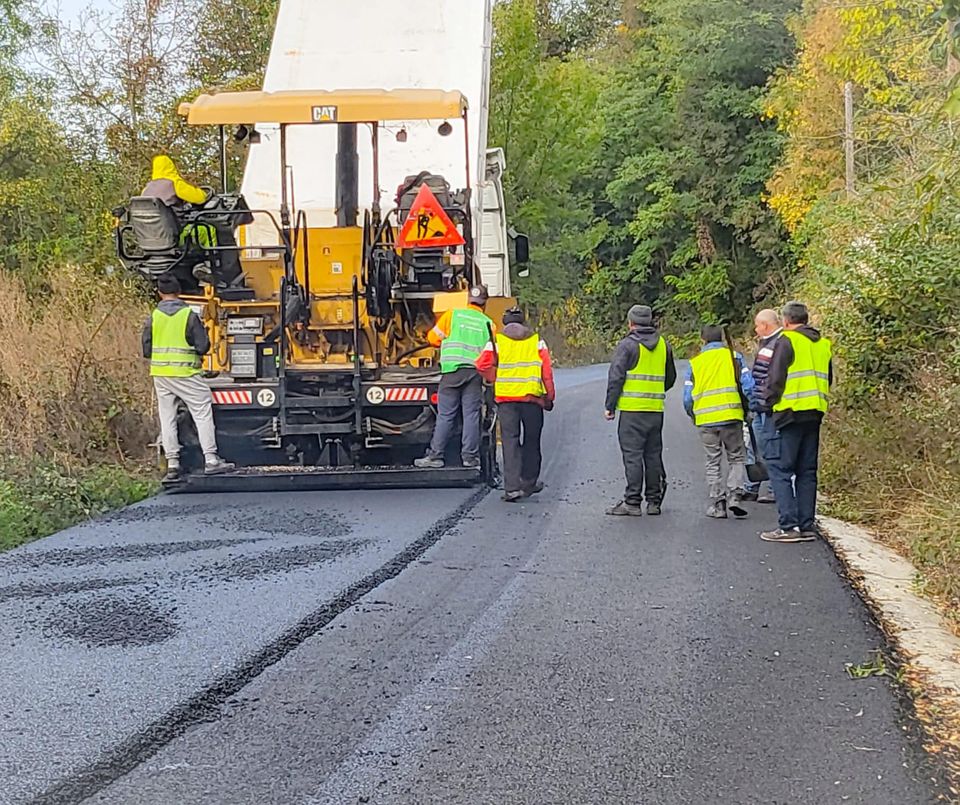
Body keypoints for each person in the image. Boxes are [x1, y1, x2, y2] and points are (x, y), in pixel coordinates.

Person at [142, 274, 234, 481]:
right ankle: (211, 460)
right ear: (179, 292)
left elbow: (146, 349)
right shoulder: (188, 316)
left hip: (161, 375)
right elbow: (203, 346)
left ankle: (173, 464)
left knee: (167, 417)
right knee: (202, 411)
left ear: (159, 293)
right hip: (186, 373)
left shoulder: (153, 316)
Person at [758, 301, 832, 543]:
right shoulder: (822, 344)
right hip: (815, 412)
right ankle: (806, 525)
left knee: (779, 468)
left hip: (788, 413)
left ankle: (788, 526)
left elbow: (775, 378)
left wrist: (767, 404)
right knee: (807, 471)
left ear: (786, 321)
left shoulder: (786, 341)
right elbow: (827, 378)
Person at [476, 307, 556, 502]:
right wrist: (549, 397)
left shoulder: (496, 341)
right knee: (532, 441)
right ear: (523, 322)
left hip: (506, 400)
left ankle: (511, 488)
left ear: (504, 322)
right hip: (532, 400)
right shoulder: (537, 341)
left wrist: (495, 378)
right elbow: (546, 371)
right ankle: (529, 482)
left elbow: (481, 365)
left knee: (510, 442)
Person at [604, 305, 676, 516]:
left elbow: (616, 377)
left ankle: (632, 502)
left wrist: (610, 406)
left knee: (633, 456)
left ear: (631, 323)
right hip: (655, 410)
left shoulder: (627, 346)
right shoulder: (664, 345)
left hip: (631, 411)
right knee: (653, 456)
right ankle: (654, 502)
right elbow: (670, 378)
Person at [415, 286, 495, 469]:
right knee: (471, 415)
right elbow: (491, 353)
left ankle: (435, 456)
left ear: (468, 300)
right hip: (474, 373)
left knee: (446, 415)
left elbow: (433, 339)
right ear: (485, 303)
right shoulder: (488, 323)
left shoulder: (453, 315)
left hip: (451, 373)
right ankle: (469, 458)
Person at [683, 325, 755, 519]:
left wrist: (693, 415)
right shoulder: (735, 358)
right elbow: (748, 386)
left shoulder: (695, 363)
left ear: (702, 340)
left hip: (706, 420)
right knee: (736, 457)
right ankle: (735, 496)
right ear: (722, 339)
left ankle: (718, 504)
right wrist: (751, 409)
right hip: (732, 417)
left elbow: (688, 397)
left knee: (712, 461)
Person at [743, 308, 783, 504]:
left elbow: (770, 378)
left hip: (767, 408)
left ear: (765, 325)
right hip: (760, 406)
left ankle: (776, 490)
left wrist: (763, 401)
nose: (755, 329)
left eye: (757, 325)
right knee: (756, 447)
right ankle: (753, 487)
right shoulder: (768, 343)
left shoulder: (777, 344)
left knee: (771, 449)